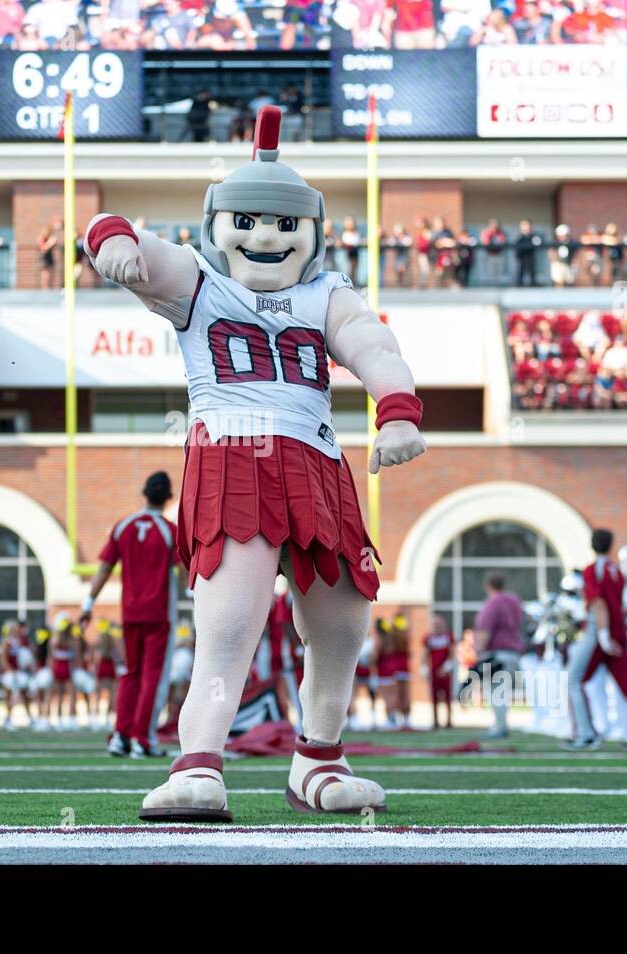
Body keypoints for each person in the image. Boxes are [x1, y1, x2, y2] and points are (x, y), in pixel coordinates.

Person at [85, 106, 426, 821]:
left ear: (311, 233)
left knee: (342, 622)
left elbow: (372, 343)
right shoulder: (201, 281)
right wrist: (112, 245)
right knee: (230, 622)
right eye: (247, 222)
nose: (265, 237)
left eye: (282, 224)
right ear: (217, 227)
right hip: (234, 457)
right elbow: (117, 232)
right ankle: (198, 763)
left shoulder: (326, 292)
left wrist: (395, 405)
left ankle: (317, 758)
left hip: (318, 463)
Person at [81, 471, 178, 758]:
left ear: (143, 492)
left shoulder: (123, 526)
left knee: (130, 673)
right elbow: (185, 571)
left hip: (130, 613)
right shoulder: (169, 531)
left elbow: (104, 568)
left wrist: (88, 604)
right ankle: (143, 739)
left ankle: (121, 736)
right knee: (153, 677)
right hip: (159, 614)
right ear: (168, 497)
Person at [563, 529, 627, 750]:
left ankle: (585, 734)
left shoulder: (592, 570)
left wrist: (603, 636)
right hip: (618, 632)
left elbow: (599, 604)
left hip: (600, 633)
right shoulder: (616, 570)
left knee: (573, 681)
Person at [472, 573, 523, 740]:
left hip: (497, 654)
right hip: (513, 652)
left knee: (496, 692)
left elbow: (485, 629)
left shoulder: (493, 603)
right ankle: (501, 725)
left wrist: (478, 651)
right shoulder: (514, 601)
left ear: (488, 586)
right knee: (502, 692)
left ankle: (500, 727)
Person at [425, 611, 455, 728]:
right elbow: (425, 654)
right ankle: (435, 720)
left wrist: (447, 667)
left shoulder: (448, 637)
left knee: (447, 696)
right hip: (434, 671)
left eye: (439, 623)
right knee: (434, 697)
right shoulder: (429, 638)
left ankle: (448, 720)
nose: (437, 626)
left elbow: (452, 653)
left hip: (445, 671)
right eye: (435, 623)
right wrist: (424, 668)